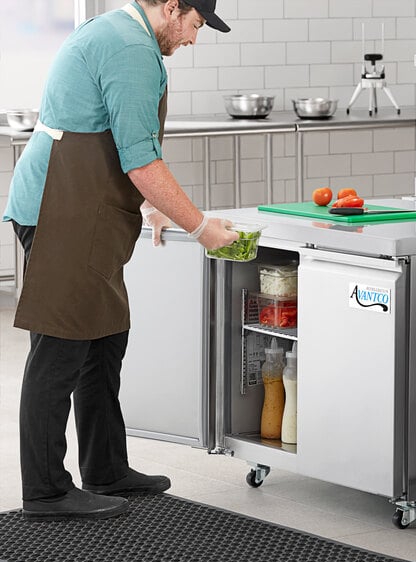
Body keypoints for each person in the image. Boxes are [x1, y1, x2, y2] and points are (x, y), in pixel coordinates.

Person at [2, 0, 238, 521]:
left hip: (81, 204)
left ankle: (106, 467)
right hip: (61, 208)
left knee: (105, 338)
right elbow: (140, 158)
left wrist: (153, 206)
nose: (194, 40)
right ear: (173, 7)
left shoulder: (120, 31)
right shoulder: (131, 47)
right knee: (61, 347)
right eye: (196, 26)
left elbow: (125, 137)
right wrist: (200, 229)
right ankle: (45, 491)